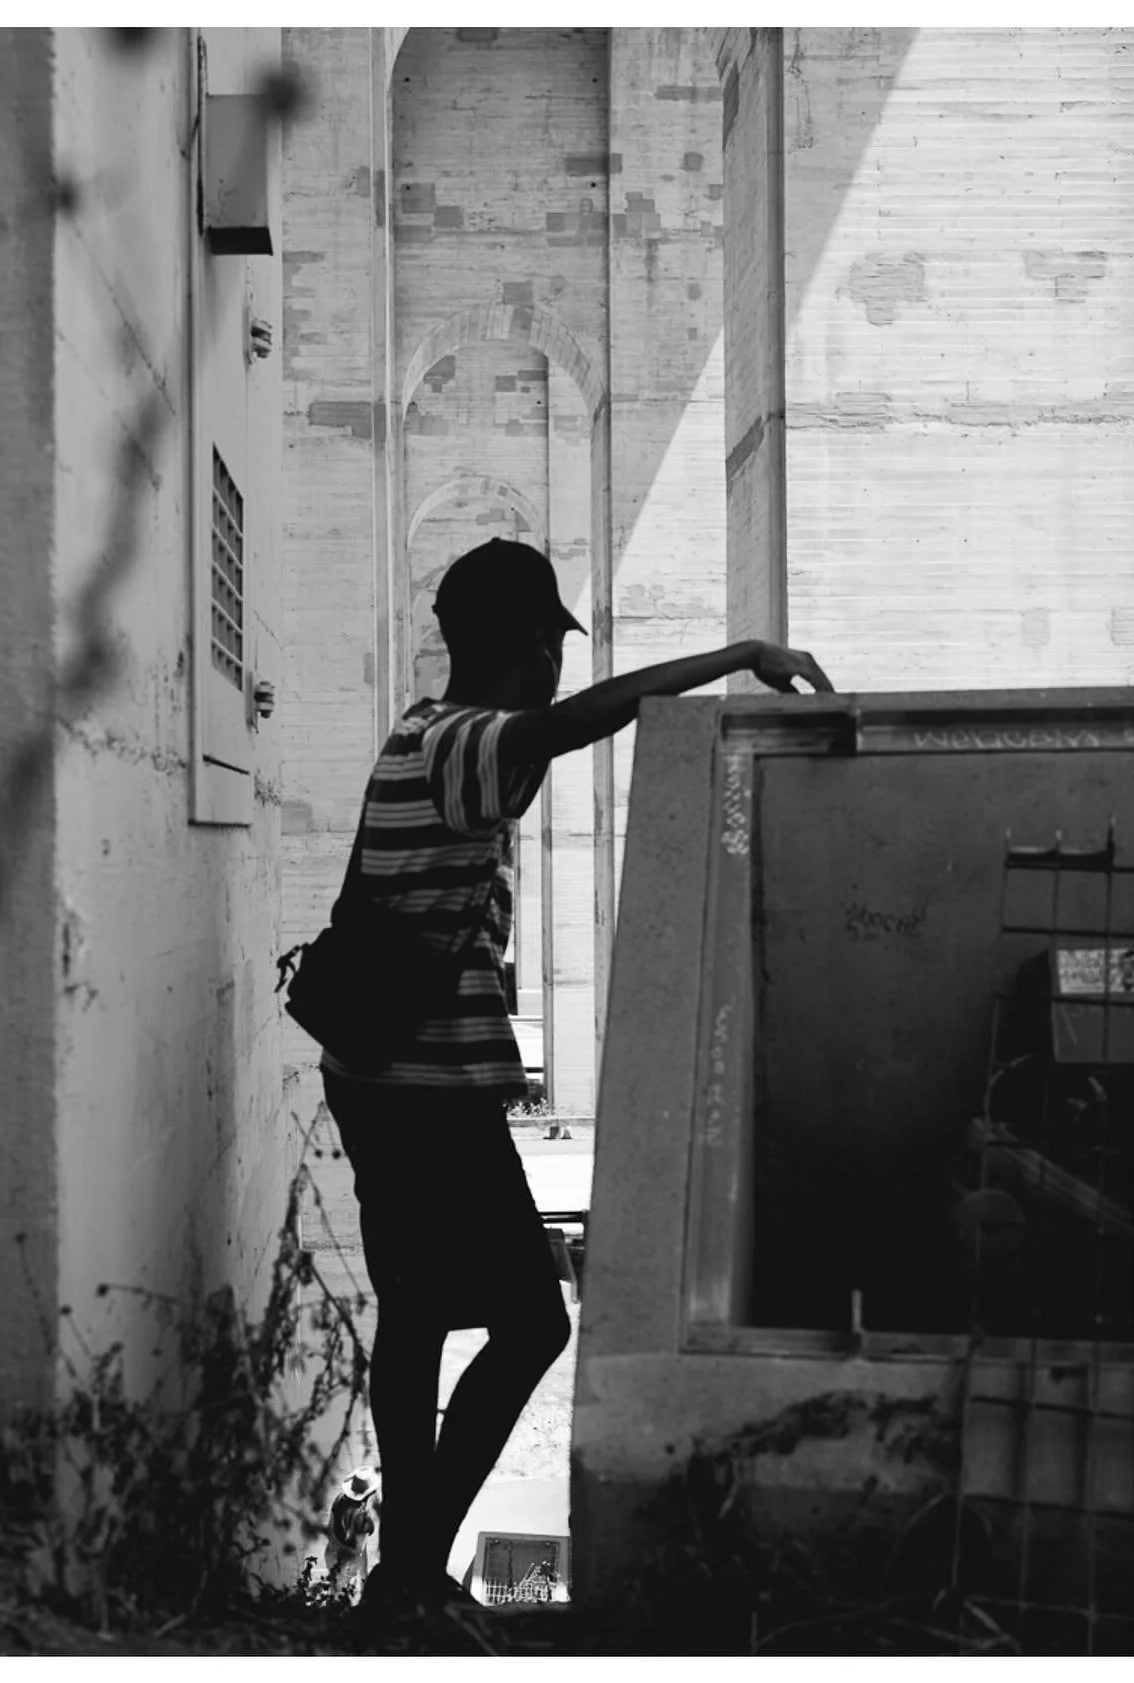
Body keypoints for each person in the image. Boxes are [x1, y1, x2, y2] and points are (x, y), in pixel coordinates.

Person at [322, 537, 833, 1615]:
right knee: (530, 1321)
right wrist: (737, 653)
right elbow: (568, 724)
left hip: (383, 1081)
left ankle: (404, 1577)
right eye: (553, 644)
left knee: (415, 1314)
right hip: (423, 1093)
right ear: (527, 649)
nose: (561, 666)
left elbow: (543, 737)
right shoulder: (467, 743)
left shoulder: (421, 736)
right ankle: (412, 1565)